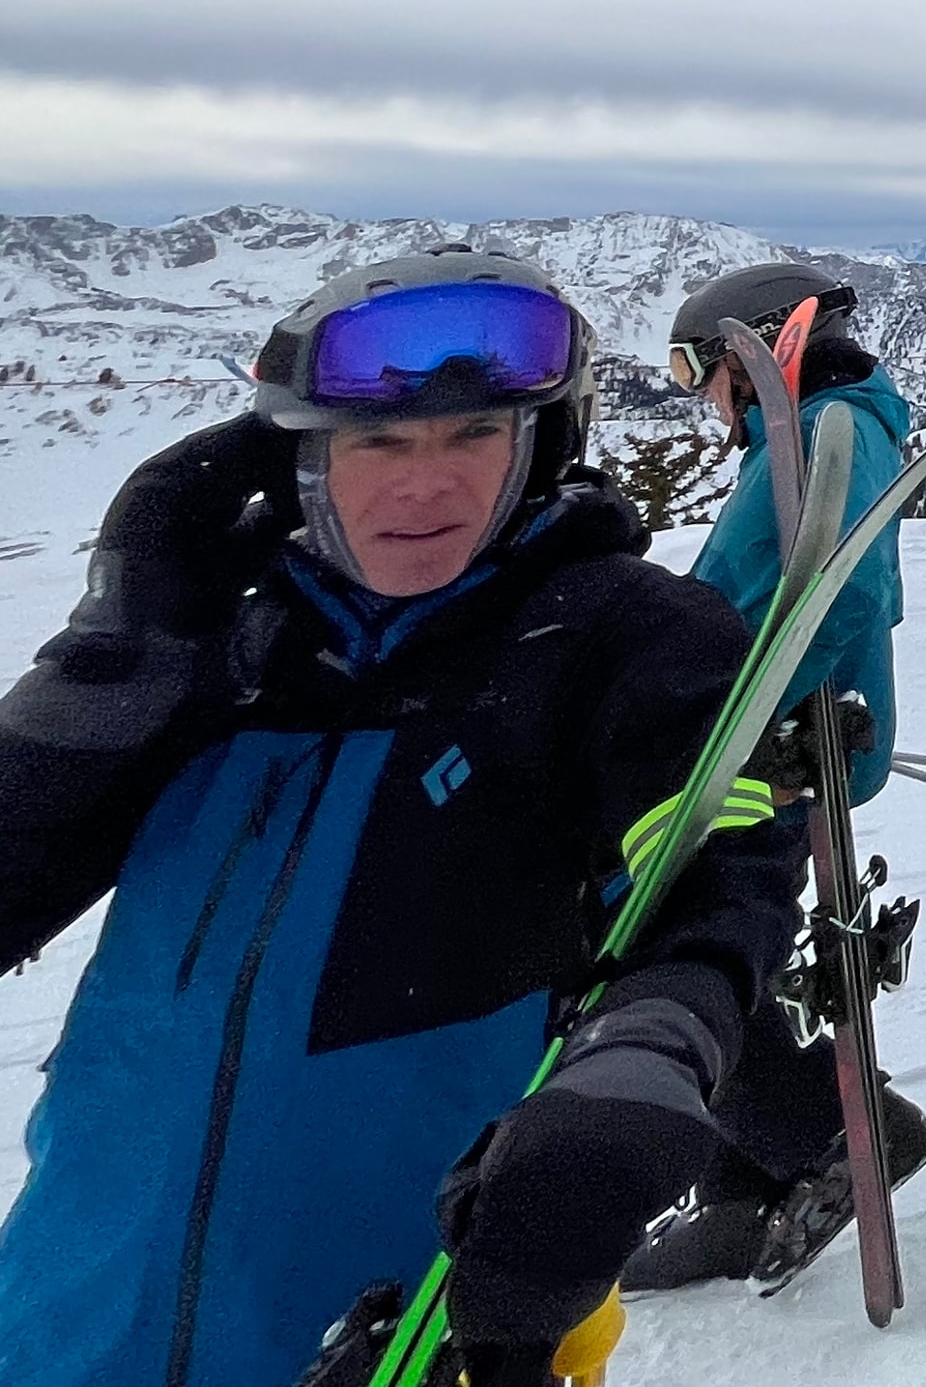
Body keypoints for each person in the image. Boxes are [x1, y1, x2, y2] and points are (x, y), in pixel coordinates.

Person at [0, 246, 808, 1387]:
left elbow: (718, 856)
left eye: (474, 435)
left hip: (418, 1321)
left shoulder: (612, 637)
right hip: (67, 1307)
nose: (427, 486)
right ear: (303, 462)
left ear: (539, 447)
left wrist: (655, 1038)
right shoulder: (230, 652)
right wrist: (112, 654)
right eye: (377, 442)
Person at [623, 264, 926, 1291]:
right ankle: (743, 1176)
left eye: (700, 371)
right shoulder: (803, 435)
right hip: (753, 736)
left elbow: (843, 598)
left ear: (757, 351)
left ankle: (831, 1135)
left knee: (676, 939)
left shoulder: (831, 432)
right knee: (710, 934)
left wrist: (756, 726)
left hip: (768, 751)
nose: (703, 398)